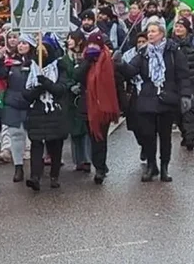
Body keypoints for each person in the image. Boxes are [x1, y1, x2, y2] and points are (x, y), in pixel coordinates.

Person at [120, 20, 190, 182]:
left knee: (165, 136)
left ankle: (165, 166)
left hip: (166, 98)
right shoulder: (143, 53)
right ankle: (152, 166)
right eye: (148, 32)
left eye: (153, 31)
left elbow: (183, 75)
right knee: (147, 135)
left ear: (161, 34)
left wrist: (185, 95)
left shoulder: (173, 51)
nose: (150, 34)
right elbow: (131, 71)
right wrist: (120, 64)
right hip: (146, 98)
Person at [74, 33, 121, 184]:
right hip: (88, 106)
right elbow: (77, 76)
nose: (92, 47)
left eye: (95, 45)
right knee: (92, 137)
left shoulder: (108, 61)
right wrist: (87, 61)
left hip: (103, 107)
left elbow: (117, 83)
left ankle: (100, 168)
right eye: (90, 44)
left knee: (100, 138)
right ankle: (99, 164)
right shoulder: (84, 60)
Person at [22, 42, 68, 191]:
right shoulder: (31, 68)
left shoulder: (59, 67)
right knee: (36, 143)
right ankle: (35, 176)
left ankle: (54, 176)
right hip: (37, 111)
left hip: (55, 111)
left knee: (55, 145)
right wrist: (38, 88)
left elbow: (60, 89)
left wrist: (46, 82)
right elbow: (26, 94)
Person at [0, 34, 34, 182]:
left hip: (31, 103)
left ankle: (35, 169)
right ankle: (18, 167)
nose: (21, 45)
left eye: (25, 43)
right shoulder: (10, 62)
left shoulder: (36, 62)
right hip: (12, 102)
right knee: (15, 134)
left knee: (33, 135)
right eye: (20, 43)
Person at [171, 18, 194, 151]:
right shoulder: (171, 43)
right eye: (177, 26)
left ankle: (191, 136)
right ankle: (184, 133)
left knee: (193, 108)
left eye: (181, 26)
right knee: (178, 110)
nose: (178, 29)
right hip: (177, 81)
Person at [61, 31, 91, 171]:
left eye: (72, 38)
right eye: (68, 39)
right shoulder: (64, 59)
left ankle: (87, 159)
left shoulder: (86, 57)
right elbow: (62, 76)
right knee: (74, 130)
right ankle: (77, 160)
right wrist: (70, 85)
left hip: (84, 96)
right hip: (70, 99)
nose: (69, 41)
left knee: (85, 130)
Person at [122, 32, 148, 160]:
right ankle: (142, 143)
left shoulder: (151, 55)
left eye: (144, 41)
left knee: (146, 123)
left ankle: (148, 148)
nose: (142, 44)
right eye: (139, 42)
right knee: (134, 125)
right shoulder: (128, 55)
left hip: (147, 92)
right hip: (132, 92)